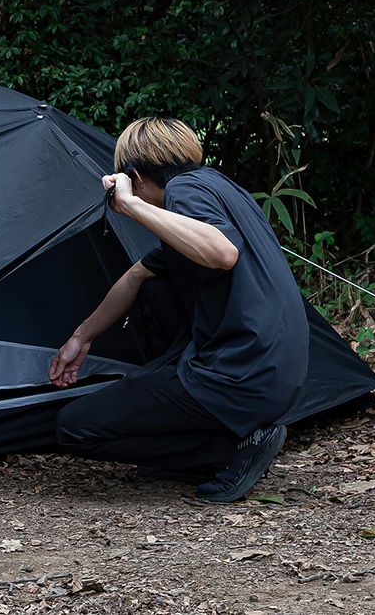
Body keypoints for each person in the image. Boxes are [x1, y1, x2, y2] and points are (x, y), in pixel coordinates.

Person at [48, 117, 310, 503]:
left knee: (74, 427)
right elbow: (137, 275)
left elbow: (223, 253)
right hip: (277, 371)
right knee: (153, 286)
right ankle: (208, 446)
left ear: (136, 177)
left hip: (239, 374)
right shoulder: (218, 185)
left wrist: (131, 205)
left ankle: (228, 452)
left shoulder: (184, 189)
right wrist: (81, 337)